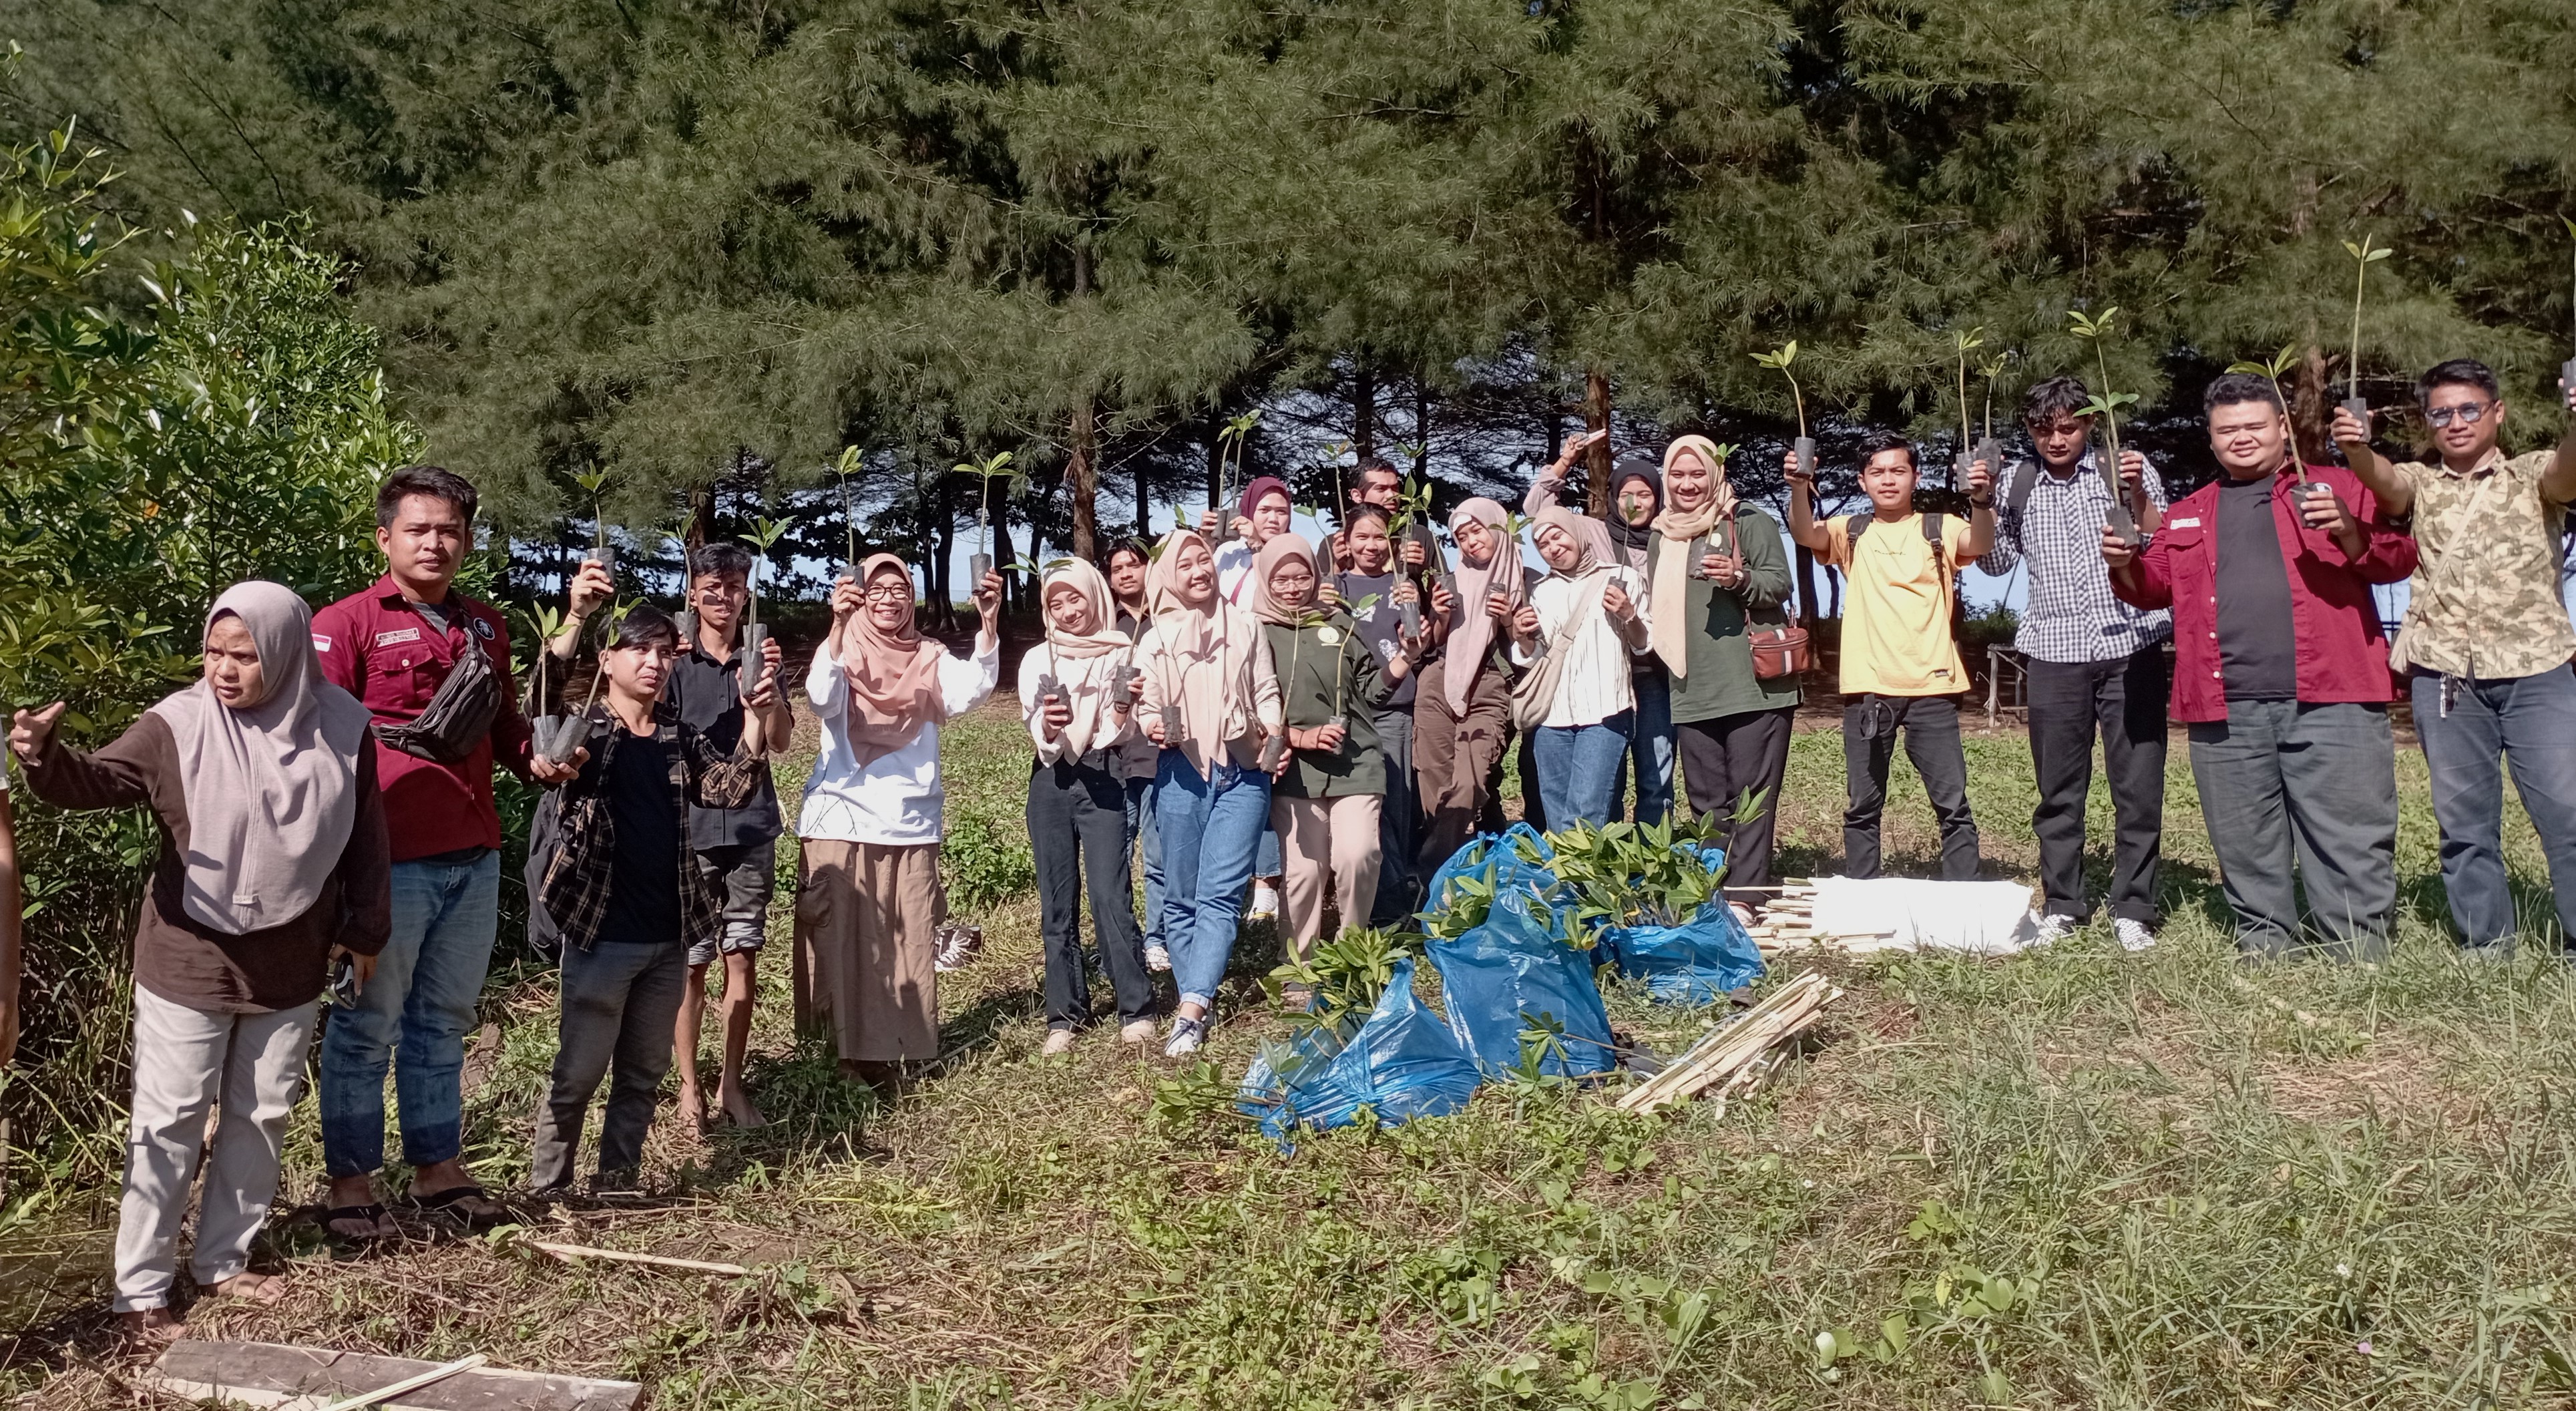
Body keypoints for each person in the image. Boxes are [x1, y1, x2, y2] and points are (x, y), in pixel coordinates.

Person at [12, 583, 389, 1340]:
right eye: (215, 652)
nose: (224, 669)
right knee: (171, 1118)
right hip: (188, 952)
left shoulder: (343, 726)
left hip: (292, 954)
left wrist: (366, 930)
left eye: (244, 656)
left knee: (262, 1114)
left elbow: (366, 837)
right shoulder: (177, 726)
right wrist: (44, 756)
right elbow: (99, 780)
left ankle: (222, 1261)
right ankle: (142, 1290)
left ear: (283, 654)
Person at [312, 466, 563, 1239]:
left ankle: (436, 1169)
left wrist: (540, 758)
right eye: (418, 529)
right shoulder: (345, 623)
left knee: (444, 1020)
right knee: (366, 1022)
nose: (435, 542)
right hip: (384, 858)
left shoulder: (485, 626)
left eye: (449, 529)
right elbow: (316, 746)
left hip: (473, 852)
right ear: (385, 537)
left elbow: (505, 729)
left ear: (468, 539)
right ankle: (351, 1181)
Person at [2107, 373, 2417, 961]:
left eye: (2255, 425)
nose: (2242, 438)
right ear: (2212, 437)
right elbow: (2154, 590)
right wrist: (2123, 564)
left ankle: (2356, 953)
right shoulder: (2188, 512)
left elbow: (2397, 559)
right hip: (2225, 708)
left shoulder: (2339, 487)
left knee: (2349, 834)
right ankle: (2266, 947)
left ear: (2282, 427)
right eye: (2228, 430)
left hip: (2335, 697)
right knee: (2245, 839)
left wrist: (2348, 531)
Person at [2332, 361, 2576, 955]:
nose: (2457, 422)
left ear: (2498, 412)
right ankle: (2487, 945)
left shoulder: (2530, 473)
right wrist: (2356, 449)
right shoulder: (2421, 482)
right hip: (2446, 679)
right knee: (2464, 826)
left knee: (2568, 814)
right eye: (2442, 413)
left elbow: (2568, 478)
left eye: (2470, 409)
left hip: (2537, 671)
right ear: (2428, 422)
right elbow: (2385, 483)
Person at [527, 606, 771, 1192]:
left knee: (642, 1073)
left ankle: (618, 1181)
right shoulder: (585, 733)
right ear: (608, 658)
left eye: (664, 651)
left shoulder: (674, 734)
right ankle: (548, 1187)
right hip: (601, 934)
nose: (655, 662)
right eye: (640, 649)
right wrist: (578, 613)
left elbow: (730, 787)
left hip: (667, 936)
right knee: (577, 1075)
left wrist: (757, 717)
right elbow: (542, 700)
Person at [1974, 377, 2171, 950]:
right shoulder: (2017, 481)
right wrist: (1980, 501)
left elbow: (2162, 543)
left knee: (2138, 785)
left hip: (2130, 643)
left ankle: (2133, 906)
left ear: (2088, 423)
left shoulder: (2123, 468)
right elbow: (1993, 564)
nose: (2056, 439)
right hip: (2055, 651)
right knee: (2059, 787)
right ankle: (2064, 903)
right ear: (2029, 430)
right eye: (2042, 428)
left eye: (2068, 426)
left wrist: (2136, 495)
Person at [797, 554, 1002, 1089]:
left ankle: (891, 1054)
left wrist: (988, 623)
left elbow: (969, 690)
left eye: (900, 588)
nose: (890, 598)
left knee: (906, 941)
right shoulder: (841, 649)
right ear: (860, 595)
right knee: (844, 943)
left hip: (909, 818)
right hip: (842, 817)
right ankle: (840, 1060)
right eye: (878, 588)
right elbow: (821, 696)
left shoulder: (928, 655)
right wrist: (837, 627)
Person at [1787, 431, 1994, 880]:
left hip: (1933, 687)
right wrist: (1800, 486)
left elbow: (1980, 544)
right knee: (1863, 802)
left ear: (1914, 477)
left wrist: (1980, 500)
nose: (1888, 480)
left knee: (1952, 802)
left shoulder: (1941, 526)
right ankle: (1864, 888)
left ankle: (1965, 895)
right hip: (1868, 689)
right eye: (1877, 471)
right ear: (1863, 481)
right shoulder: (1851, 531)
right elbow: (1805, 532)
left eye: (1898, 470)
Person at [649, 545, 793, 1131]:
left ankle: (731, 1083)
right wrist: (663, 667)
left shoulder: (762, 657)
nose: (722, 597)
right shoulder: (673, 659)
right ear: (692, 593)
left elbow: (780, 740)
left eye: (733, 587)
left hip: (754, 825)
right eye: (711, 587)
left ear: (745, 593)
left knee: (743, 957)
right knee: (691, 963)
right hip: (690, 828)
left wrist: (768, 697)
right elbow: (646, 729)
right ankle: (689, 1087)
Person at [1133, 529, 1283, 1056]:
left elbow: (1266, 690)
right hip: (1179, 774)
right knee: (1179, 897)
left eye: (1205, 560)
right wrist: (1151, 723)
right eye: (1187, 564)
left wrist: (1271, 737)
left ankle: (1192, 1009)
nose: (1199, 570)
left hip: (1242, 773)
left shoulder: (1245, 626)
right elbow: (1145, 707)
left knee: (1218, 894)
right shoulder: (1155, 639)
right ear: (1172, 576)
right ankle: (1194, 991)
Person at [1649, 437, 1801, 905]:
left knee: (1752, 797)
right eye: (1678, 475)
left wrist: (1738, 578)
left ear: (1715, 475)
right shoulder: (1663, 534)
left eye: (1698, 474)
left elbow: (1779, 581)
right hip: (1691, 687)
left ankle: (1746, 895)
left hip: (1752, 685)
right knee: (1706, 801)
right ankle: (1712, 893)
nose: (1688, 484)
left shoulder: (1747, 520)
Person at [1258, 536, 1412, 992]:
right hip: (1295, 770)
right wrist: (1299, 737)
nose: (1292, 587)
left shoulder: (1339, 622)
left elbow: (1371, 688)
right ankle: (1299, 969)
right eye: (1280, 579)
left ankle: (1351, 954)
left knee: (1357, 854)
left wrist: (1407, 655)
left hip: (1355, 761)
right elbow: (1249, 702)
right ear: (1265, 581)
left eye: (1301, 576)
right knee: (1305, 871)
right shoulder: (1256, 630)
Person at [1020, 560, 1157, 1054]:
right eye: (1056, 603)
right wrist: (1051, 727)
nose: (1068, 610)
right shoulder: (1039, 657)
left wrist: (1121, 707)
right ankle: (1064, 1015)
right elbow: (1039, 731)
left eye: (1075, 598)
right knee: (1057, 900)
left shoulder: (1122, 651)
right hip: (1051, 782)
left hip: (1103, 774)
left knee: (1110, 893)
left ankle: (1136, 1006)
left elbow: (1120, 730)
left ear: (1094, 596)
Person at [1524, 435, 1675, 825]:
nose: (1635, 503)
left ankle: (1650, 857)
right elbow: (1539, 512)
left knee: (1655, 773)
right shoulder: (1594, 532)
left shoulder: (1672, 538)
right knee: (1604, 779)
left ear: (1658, 498)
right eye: (1626, 494)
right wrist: (1567, 459)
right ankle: (1606, 858)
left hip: (1653, 671)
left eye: (1645, 494)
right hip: (1602, 673)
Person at [1512, 508, 1651, 828]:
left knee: (1587, 811)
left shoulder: (1623, 578)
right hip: (1552, 716)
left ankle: (1587, 878)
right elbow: (1538, 656)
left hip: (1606, 712)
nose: (1553, 547)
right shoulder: (1543, 591)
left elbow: (1643, 644)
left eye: (1557, 535)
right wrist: (1522, 638)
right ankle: (1573, 878)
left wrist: (1629, 614)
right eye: (1543, 544)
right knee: (1557, 815)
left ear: (1576, 533)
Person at [1413, 497, 1524, 881]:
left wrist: (1509, 618)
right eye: (1461, 536)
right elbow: (1433, 641)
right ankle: (1453, 877)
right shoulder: (1451, 579)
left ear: (1497, 527)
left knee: (1469, 782)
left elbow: (1530, 651)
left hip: (1491, 683)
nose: (1471, 541)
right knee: (1432, 780)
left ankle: (1432, 870)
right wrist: (1439, 614)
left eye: (1477, 530)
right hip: (1438, 682)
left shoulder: (1525, 577)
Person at [1202, 477, 1293, 920]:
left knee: (1268, 771)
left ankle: (1268, 882)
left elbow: (1283, 598)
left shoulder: (1293, 551)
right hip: (1229, 672)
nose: (1275, 519)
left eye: (1282, 511)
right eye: (1266, 511)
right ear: (1247, 512)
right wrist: (1207, 539)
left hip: (1275, 671)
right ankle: (1231, 877)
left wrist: (1261, 551)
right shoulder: (1225, 555)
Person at [1332, 507, 1428, 925]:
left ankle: (1393, 895)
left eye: (1378, 538)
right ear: (1346, 542)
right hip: (1346, 713)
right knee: (1363, 810)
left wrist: (1421, 606)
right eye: (1362, 538)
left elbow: (1422, 642)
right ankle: (1384, 902)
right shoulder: (1332, 588)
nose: (1371, 546)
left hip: (1393, 711)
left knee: (1395, 804)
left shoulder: (1403, 586)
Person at [1103, 538, 1171, 971]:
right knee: (1114, 857)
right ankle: (1119, 940)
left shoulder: (1166, 620)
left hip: (1158, 754)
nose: (1126, 572)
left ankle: (1157, 938)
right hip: (1111, 760)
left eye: (1134, 564)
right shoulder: (1103, 626)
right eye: (1117, 567)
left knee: (1160, 857)